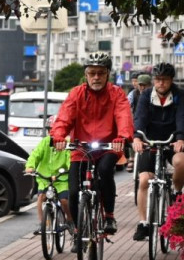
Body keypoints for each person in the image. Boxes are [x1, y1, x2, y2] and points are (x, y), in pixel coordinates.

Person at [49, 52, 135, 240]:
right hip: (82, 148)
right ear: (86, 75)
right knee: (72, 191)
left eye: (100, 73)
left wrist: (122, 136)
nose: (96, 77)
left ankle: (109, 216)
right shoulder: (76, 94)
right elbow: (64, 118)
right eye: (92, 73)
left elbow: (123, 116)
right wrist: (59, 136)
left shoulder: (116, 94)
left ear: (107, 74)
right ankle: (78, 232)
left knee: (105, 171)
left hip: (109, 146)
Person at [132, 63, 184, 241]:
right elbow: (139, 117)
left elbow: (183, 117)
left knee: (181, 162)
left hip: (173, 140)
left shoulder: (180, 95)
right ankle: (143, 223)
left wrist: (181, 138)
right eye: (157, 80)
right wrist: (137, 137)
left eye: (164, 80)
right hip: (150, 141)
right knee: (144, 180)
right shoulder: (145, 96)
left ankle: (177, 192)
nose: (161, 83)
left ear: (171, 80)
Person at [24, 118, 72, 237]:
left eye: (55, 129)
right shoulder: (45, 142)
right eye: (50, 129)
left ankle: (70, 220)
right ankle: (42, 224)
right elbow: (35, 155)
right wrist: (30, 166)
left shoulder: (66, 143)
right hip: (45, 178)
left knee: (64, 201)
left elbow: (70, 160)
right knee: (41, 197)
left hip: (61, 180)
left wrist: (68, 170)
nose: (52, 132)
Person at [124, 72, 152, 171]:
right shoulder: (133, 94)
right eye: (140, 85)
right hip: (137, 120)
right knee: (132, 135)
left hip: (151, 122)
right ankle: (131, 158)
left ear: (150, 85)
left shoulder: (154, 94)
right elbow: (126, 106)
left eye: (145, 85)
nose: (142, 87)